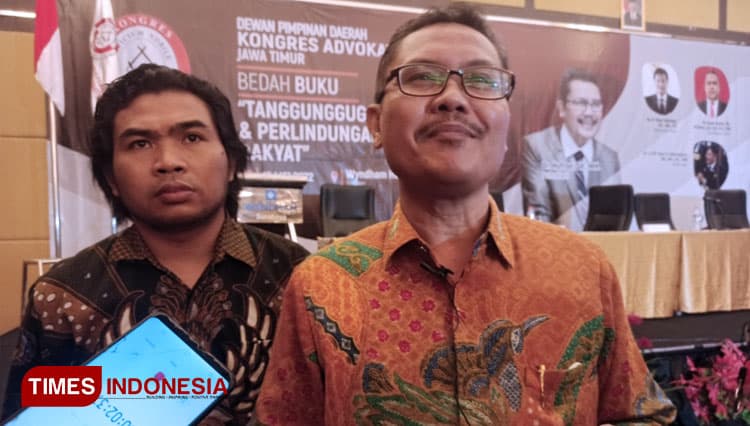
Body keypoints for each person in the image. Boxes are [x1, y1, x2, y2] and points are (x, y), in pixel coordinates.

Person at [256, 4, 675, 425]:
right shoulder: (321, 285)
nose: (453, 99)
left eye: (481, 81)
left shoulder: (583, 269)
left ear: (506, 127)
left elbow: (642, 415)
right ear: (376, 124)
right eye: (422, 77)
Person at [1, 64, 309, 424]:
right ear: (110, 178)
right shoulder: (62, 295)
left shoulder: (299, 276)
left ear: (230, 162)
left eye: (191, 137)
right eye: (140, 143)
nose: (168, 162)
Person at [522, 68, 621, 231]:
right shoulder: (537, 147)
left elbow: (615, 217)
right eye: (581, 103)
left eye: (596, 104)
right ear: (561, 108)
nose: (589, 112)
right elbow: (538, 213)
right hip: (555, 242)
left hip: (599, 243)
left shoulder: (609, 157)